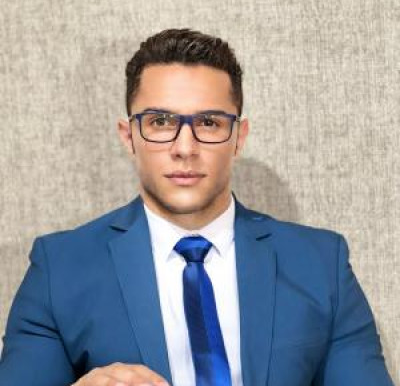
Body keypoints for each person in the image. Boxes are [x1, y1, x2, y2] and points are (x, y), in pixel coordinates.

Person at [0, 28, 394, 386]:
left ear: (238, 137)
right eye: (160, 121)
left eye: (208, 122)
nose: (184, 147)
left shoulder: (322, 265)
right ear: (128, 136)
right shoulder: (59, 269)